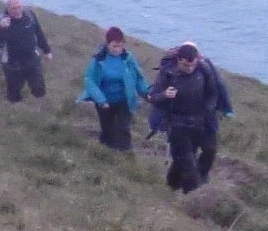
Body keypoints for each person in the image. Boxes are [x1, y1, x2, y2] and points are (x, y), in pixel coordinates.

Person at [149, 41, 232, 193]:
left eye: (192, 65)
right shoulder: (167, 73)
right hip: (177, 124)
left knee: (210, 150)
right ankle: (192, 195)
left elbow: (213, 93)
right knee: (188, 164)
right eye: (186, 65)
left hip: (201, 121)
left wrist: (208, 110)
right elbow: (153, 97)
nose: (190, 68)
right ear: (179, 59)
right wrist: (165, 95)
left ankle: (174, 184)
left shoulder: (204, 70)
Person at [78, 27, 149, 151]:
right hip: (104, 102)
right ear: (107, 44)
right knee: (108, 132)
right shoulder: (98, 59)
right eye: (114, 46)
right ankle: (106, 154)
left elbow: (138, 77)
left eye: (120, 46)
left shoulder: (128, 58)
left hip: (124, 100)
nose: (117, 49)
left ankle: (126, 156)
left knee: (124, 129)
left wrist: (147, 93)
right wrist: (101, 100)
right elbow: (89, 80)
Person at [0, 0, 51, 101]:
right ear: (8, 8)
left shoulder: (30, 16)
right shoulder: (1, 21)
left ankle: (39, 107)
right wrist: (0, 28)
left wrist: (47, 51)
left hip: (32, 60)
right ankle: (15, 108)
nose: (17, 10)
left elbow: (39, 33)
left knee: (39, 89)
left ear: (22, 5)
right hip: (12, 65)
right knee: (14, 94)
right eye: (13, 8)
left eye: (19, 6)